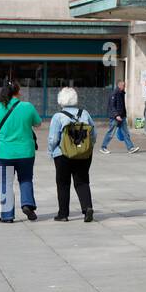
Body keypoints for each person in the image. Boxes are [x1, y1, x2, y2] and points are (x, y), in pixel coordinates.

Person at [0, 82, 42, 223]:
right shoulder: (27, 107)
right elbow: (38, 123)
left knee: (6, 183)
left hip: (3, 152)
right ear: (17, 92)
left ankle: (7, 215)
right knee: (26, 179)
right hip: (25, 152)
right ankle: (28, 204)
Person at [48, 87, 95, 222]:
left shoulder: (58, 116)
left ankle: (63, 214)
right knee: (82, 181)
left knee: (63, 183)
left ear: (60, 100)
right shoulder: (85, 113)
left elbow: (53, 139)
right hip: (84, 154)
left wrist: (51, 151)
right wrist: (88, 147)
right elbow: (93, 133)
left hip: (63, 154)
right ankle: (87, 208)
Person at [101, 80, 140, 154]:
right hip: (115, 117)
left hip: (122, 117)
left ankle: (130, 148)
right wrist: (117, 115)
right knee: (110, 133)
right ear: (119, 85)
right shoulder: (114, 93)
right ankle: (103, 147)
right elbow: (112, 106)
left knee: (126, 133)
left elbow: (121, 106)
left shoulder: (121, 93)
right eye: (123, 85)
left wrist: (124, 115)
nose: (124, 87)